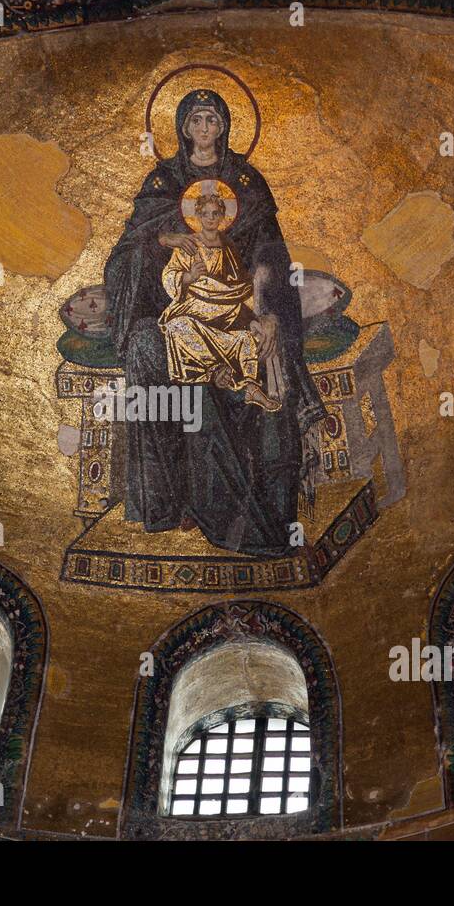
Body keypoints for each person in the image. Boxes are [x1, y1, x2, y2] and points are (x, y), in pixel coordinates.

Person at [102, 87, 327, 557]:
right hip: (181, 308)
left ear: (224, 126)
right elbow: (127, 254)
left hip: (241, 307)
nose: (205, 129)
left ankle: (261, 512)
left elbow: (269, 256)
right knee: (154, 352)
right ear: (183, 128)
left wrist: (268, 314)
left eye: (212, 120)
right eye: (196, 121)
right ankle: (174, 501)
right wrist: (166, 239)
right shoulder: (163, 182)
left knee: (265, 358)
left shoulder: (246, 181)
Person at [159, 190, 280, 411]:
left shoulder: (228, 247)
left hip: (226, 308)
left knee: (246, 338)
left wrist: (256, 315)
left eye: (215, 213)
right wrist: (188, 277)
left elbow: (240, 286)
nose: (210, 218)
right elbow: (169, 275)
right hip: (195, 305)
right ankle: (215, 370)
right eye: (205, 214)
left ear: (222, 216)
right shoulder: (189, 245)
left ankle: (252, 388)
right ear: (197, 216)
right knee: (178, 327)